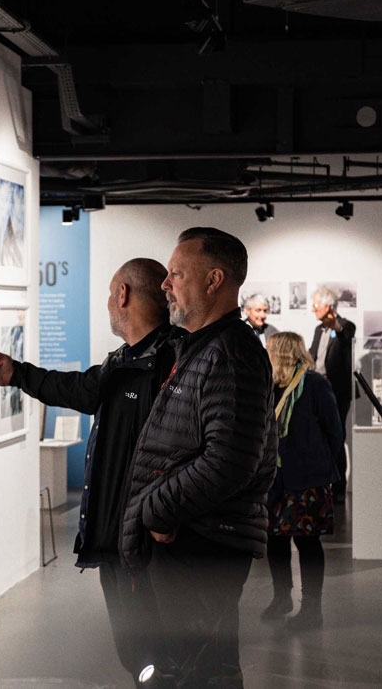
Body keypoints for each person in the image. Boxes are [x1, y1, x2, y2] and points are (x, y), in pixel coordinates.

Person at [0, 258, 178, 687]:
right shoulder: (126, 359)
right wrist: (18, 375)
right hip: (118, 538)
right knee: (137, 655)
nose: (107, 303)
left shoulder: (171, 361)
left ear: (123, 293)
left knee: (160, 656)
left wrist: (163, 515)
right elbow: (81, 390)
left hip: (148, 540)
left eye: (109, 293)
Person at [121, 227, 278, 689]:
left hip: (200, 545)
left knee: (197, 673)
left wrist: (157, 508)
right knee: (195, 669)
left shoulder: (230, 353)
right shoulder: (201, 347)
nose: (166, 284)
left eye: (176, 274)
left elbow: (230, 459)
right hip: (191, 542)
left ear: (213, 280)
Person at [262, 332, 342, 630]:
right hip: (276, 478)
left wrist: (318, 464)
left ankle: (312, 609)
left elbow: (335, 432)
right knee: (274, 539)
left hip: (307, 478)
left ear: (282, 353)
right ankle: (281, 597)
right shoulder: (272, 387)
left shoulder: (314, 384)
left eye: (270, 351)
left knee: (307, 542)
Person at [308, 286, 356, 501]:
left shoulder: (346, 326)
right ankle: (320, 484)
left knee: (337, 437)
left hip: (338, 393)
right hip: (318, 390)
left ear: (327, 306)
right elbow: (313, 353)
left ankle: (338, 488)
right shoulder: (319, 329)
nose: (312, 309)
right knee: (317, 436)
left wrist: (334, 324)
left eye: (316, 305)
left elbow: (346, 335)